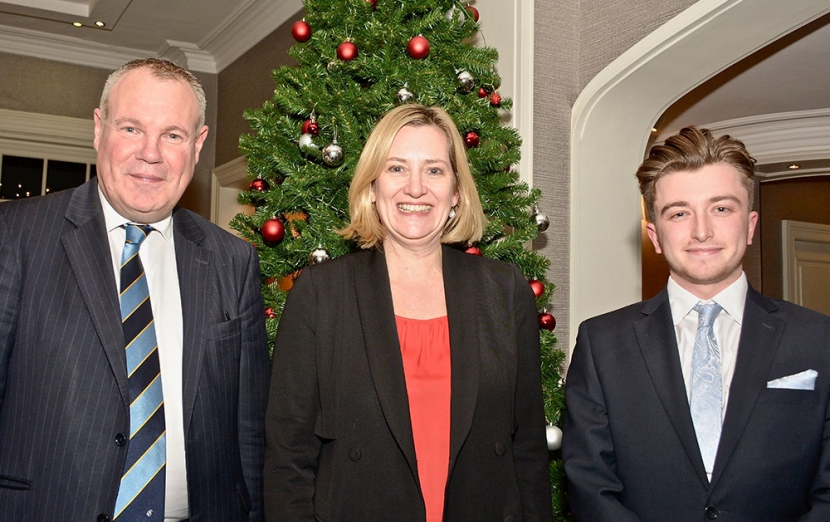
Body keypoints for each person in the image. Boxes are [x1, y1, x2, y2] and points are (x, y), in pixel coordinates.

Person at [0, 58, 269, 522]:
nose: (151, 153)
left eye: (173, 135)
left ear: (198, 144)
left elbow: (248, 432)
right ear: (99, 128)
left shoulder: (233, 261)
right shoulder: (16, 235)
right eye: (131, 128)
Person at [263, 104, 553, 522]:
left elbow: (528, 449)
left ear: (456, 192)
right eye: (397, 168)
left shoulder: (504, 290)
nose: (415, 188)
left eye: (434, 170)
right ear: (372, 187)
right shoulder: (322, 293)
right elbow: (287, 456)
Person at [562, 126, 830, 522]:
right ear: (655, 235)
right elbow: (589, 484)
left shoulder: (818, 338)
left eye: (721, 208)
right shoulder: (602, 343)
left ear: (750, 225)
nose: (701, 230)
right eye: (679, 212)